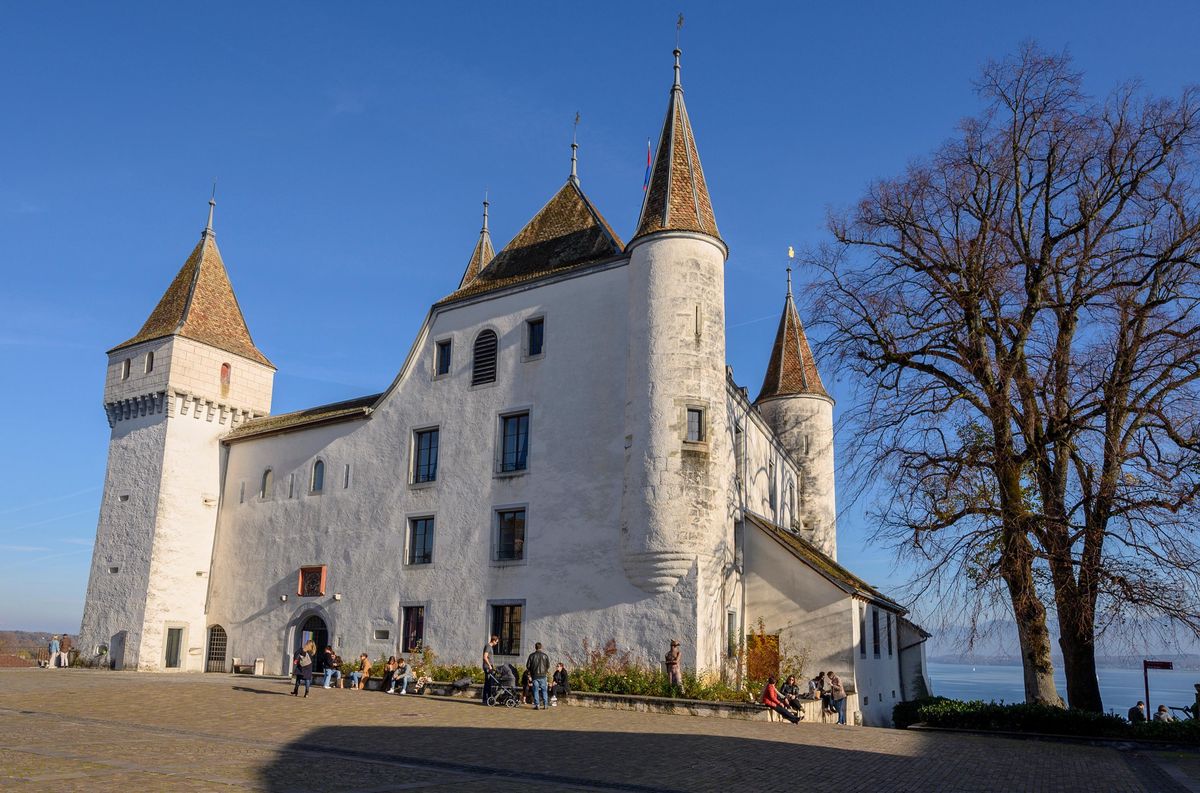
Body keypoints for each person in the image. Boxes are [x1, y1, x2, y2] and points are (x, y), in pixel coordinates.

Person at [526, 642, 551, 710]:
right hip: (543, 676)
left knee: (536, 691)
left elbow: (528, 666)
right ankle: (545, 705)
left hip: (535, 676)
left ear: (535, 647)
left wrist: (531, 672)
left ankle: (537, 705)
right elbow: (548, 665)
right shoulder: (545, 656)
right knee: (544, 691)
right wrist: (545, 671)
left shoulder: (531, 656)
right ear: (541, 647)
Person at [481, 635, 499, 705]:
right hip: (487, 667)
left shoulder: (490, 647)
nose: (496, 643)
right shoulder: (488, 646)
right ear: (493, 641)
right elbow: (485, 657)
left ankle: (487, 699)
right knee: (488, 683)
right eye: (496, 642)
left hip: (490, 667)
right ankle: (485, 699)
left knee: (489, 683)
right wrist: (489, 665)